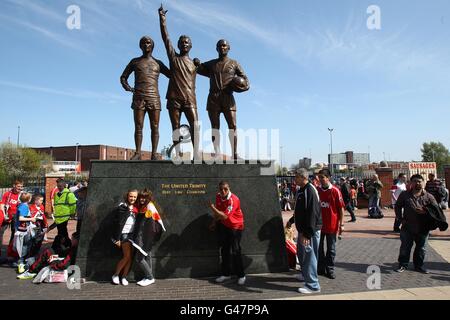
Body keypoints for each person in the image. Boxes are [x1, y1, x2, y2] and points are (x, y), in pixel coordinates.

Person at [158, 5, 200, 160]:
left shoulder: (196, 64)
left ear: (190, 46)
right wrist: (162, 19)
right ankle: (178, 154)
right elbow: (165, 38)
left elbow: (212, 72)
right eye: (181, 42)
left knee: (195, 126)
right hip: (174, 98)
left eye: (186, 42)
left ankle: (196, 154)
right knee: (175, 128)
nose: (184, 44)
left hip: (190, 99)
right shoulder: (173, 58)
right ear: (178, 45)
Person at [195, 39, 249, 159]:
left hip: (228, 97)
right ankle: (217, 152)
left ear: (228, 48)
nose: (222, 47)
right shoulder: (212, 64)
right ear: (216, 48)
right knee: (215, 127)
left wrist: (241, 85)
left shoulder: (234, 63)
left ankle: (234, 154)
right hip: (213, 98)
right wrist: (197, 63)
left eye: (224, 46)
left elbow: (245, 80)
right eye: (220, 46)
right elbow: (199, 69)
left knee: (233, 126)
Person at [120, 36, 171, 160]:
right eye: (143, 43)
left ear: (152, 46)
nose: (146, 45)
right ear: (140, 46)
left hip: (154, 97)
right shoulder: (135, 61)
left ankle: (154, 153)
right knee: (138, 126)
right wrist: (128, 87)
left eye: (148, 43)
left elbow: (172, 75)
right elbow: (123, 77)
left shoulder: (158, 63)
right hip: (139, 98)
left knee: (155, 127)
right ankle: (138, 152)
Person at [395, 174, 441, 274]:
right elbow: (398, 206)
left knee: (421, 248)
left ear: (423, 183)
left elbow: (437, 210)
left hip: (423, 227)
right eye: (415, 181)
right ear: (411, 183)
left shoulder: (429, 196)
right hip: (407, 226)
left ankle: (418, 266)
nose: (417, 183)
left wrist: (425, 211)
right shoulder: (405, 195)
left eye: (420, 181)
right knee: (405, 247)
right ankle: (403, 265)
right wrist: (400, 218)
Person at [286, 169, 322, 294]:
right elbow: (300, 211)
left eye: (296, 177)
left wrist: (307, 233)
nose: (294, 179)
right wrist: (292, 220)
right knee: (302, 255)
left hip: (309, 231)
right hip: (303, 229)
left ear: (302, 177)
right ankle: (306, 274)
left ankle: (313, 285)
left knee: (309, 256)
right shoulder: (302, 190)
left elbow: (313, 213)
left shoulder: (310, 190)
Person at [208, 181, 246, 285]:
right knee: (224, 250)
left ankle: (241, 275)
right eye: (221, 189)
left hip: (236, 227)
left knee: (235, 251)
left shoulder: (234, 199)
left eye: (225, 189)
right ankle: (226, 274)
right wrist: (213, 223)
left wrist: (212, 207)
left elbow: (225, 216)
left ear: (229, 188)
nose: (223, 191)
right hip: (225, 226)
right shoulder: (218, 196)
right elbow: (218, 213)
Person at [133, 189, 165, 287]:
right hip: (145, 236)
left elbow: (150, 225)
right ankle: (148, 276)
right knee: (147, 255)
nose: (142, 199)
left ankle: (150, 277)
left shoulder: (149, 207)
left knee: (139, 258)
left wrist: (145, 238)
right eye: (141, 197)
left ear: (148, 198)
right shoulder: (145, 206)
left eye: (144, 197)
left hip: (146, 236)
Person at [316, 169, 344, 279]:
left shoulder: (335, 191)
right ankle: (321, 268)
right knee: (319, 248)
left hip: (332, 226)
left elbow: (341, 209)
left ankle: (330, 269)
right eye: (319, 177)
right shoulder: (317, 190)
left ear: (328, 178)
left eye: (322, 177)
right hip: (319, 225)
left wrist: (342, 224)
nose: (320, 179)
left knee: (331, 249)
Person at [111, 189, 138, 286]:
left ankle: (124, 277)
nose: (133, 198)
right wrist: (117, 238)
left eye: (135, 197)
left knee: (130, 258)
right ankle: (116, 275)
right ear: (127, 196)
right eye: (131, 196)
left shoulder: (136, 207)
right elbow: (118, 223)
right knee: (127, 256)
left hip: (133, 234)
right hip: (124, 234)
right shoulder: (122, 206)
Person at [0, 180, 23, 262]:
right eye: (18, 186)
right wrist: (4, 215)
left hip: (15, 217)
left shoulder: (21, 195)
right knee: (1, 233)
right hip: (6, 216)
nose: (20, 188)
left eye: (21, 187)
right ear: (14, 185)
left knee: (14, 235)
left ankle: (10, 254)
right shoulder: (7, 194)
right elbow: (2, 204)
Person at [13, 192, 34, 274]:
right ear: (28, 199)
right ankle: (21, 262)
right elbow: (21, 218)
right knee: (24, 246)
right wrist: (31, 219)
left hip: (22, 229)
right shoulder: (24, 206)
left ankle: (21, 261)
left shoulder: (21, 205)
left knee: (22, 246)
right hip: (22, 230)